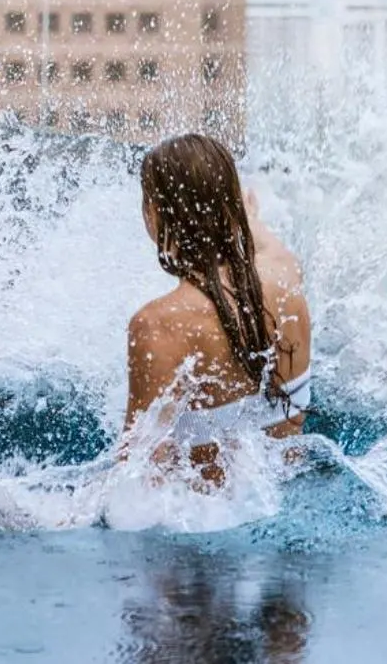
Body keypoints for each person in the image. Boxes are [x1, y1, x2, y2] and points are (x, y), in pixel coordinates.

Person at [122, 133, 312, 486]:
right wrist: (241, 211)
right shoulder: (285, 274)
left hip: (204, 518)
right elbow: (255, 232)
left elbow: (137, 473)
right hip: (286, 485)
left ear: (155, 213)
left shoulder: (157, 326)